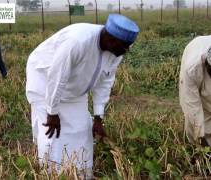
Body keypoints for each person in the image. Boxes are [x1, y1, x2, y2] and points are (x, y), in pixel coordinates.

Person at [26, 14, 139, 178]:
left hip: (76, 91)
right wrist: (52, 112)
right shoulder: (77, 42)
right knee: (51, 133)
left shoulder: (116, 52)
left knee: (81, 130)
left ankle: (80, 174)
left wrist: (98, 117)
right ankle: (49, 173)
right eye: (125, 46)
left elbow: (105, 82)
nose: (127, 51)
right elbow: (57, 77)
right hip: (45, 83)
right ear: (111, 39)